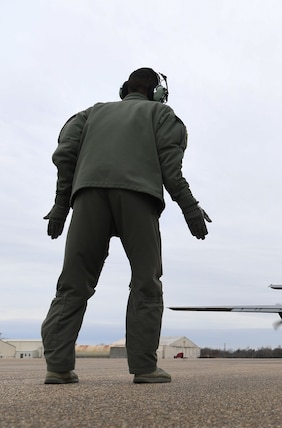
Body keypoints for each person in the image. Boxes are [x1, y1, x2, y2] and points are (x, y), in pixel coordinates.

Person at [41, 67, 211, 384]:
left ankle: (58, 366)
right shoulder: (161, 115)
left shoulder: (89, 114)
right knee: (146, 281)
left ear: (124, 89)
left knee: (73, 282)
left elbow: (65, 155)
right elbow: (170, 169)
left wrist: (61, 206)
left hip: (88, 196)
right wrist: (190, 208)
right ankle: (145, 368)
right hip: (138, 198)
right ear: (157, 93)